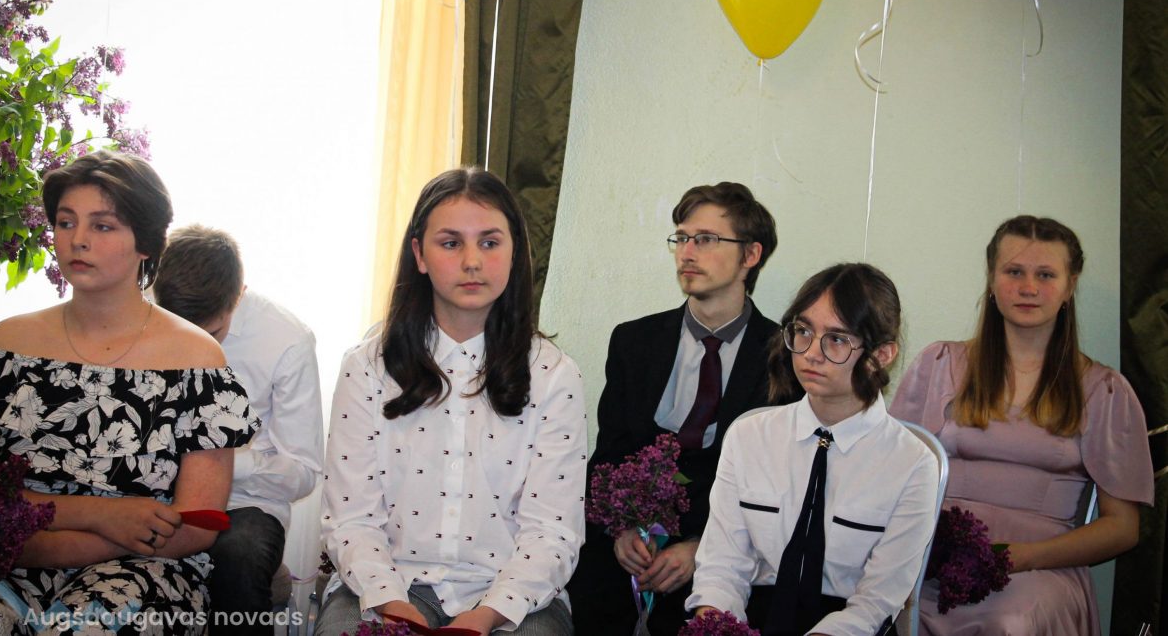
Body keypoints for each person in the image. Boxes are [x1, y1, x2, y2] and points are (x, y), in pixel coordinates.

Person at [0, 150, 258, 633]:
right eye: (66, 222)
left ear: (146, 243)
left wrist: (75, 541)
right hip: (10, 559)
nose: (78, 239)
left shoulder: (198, 360)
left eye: (102, 226)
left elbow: (196, 525)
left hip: (146, 568)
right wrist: (105, 516)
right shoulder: (4, 346)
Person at [316, 167, 586, 636]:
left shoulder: (553, 375)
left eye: (490, 242)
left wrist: (485, 616)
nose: (472, 261)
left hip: (512, 595)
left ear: (515, 252)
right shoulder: (366, 368)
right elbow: (352, 517)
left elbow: (552, 531)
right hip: (389, 584)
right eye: (450, 243)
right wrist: (393, 604)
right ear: (419, 255)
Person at [889, 215, 1153, 635]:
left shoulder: (1105, 391)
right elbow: (888, 478)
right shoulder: (938, 365)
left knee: (1008, 622)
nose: (1028, 288)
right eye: (1014, 272)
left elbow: (1123, 528)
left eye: (1045, 275)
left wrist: (1023, 557)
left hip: (1042, 574)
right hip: (932, 565)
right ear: (992, 280)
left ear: (1070, 286)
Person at [567, 182, 790, 635]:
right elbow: (609, 455)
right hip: (625, 547)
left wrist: (703, 546)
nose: (687, 253)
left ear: (750, 255)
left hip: (724, 548)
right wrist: (620, 530)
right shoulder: (634, 341)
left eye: (705, 239)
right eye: (682, 238)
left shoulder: (784, 356)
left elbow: (776, 486)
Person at [686, 263, 939, 636]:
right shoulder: (749, 436)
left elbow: (877, 601)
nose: (811, 354)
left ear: (882, 355)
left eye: (836, 339)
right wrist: (718, 625)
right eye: (803, 331)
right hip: (751, 618)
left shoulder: (913, 463)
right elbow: (721, 567)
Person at [154, 225, 323, 634]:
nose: (193, 346)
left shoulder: (288, 341)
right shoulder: (138, 312)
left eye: (211, 334)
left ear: (239, 295)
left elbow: (303, 472)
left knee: (239, 558)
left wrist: (222, 461)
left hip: (244, 504)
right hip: (149, 489)